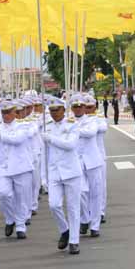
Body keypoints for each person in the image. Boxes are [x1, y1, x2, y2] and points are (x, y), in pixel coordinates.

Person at [43, 98, 82, 255]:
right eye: (51, 111)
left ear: (63, 110)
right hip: (54, 172)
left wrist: (51, 138)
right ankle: (64, 229)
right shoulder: (48, 127)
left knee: (73, 207)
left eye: (56, 110)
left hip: (71, 171)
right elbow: (45, 154)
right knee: (54, 205)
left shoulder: (72, 124)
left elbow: (70, 145)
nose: (53, 113)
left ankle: (74, 241)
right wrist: (44, 177)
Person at [0, 100, 33, 240]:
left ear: (14, 112)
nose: (6, 115)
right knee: (3, 194)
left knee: (21, 198)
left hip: (20, 167)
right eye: (3, 112)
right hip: (3, 167)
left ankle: (21, 226)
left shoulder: (23, 125)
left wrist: (0, 136)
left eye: (8, 112)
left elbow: (17, 139)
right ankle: (10, 219)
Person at [72, 95, 104, 238]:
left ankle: (95, 225)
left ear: (85, 108)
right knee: (81, 192)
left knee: (95, 194)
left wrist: (73, 130)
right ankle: (85, 218)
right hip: (77, 163)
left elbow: (91, 133)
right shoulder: (68, 121)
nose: (78, 109)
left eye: (80, 106)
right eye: (75, 107)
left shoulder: (92, 120)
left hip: (93, 162)